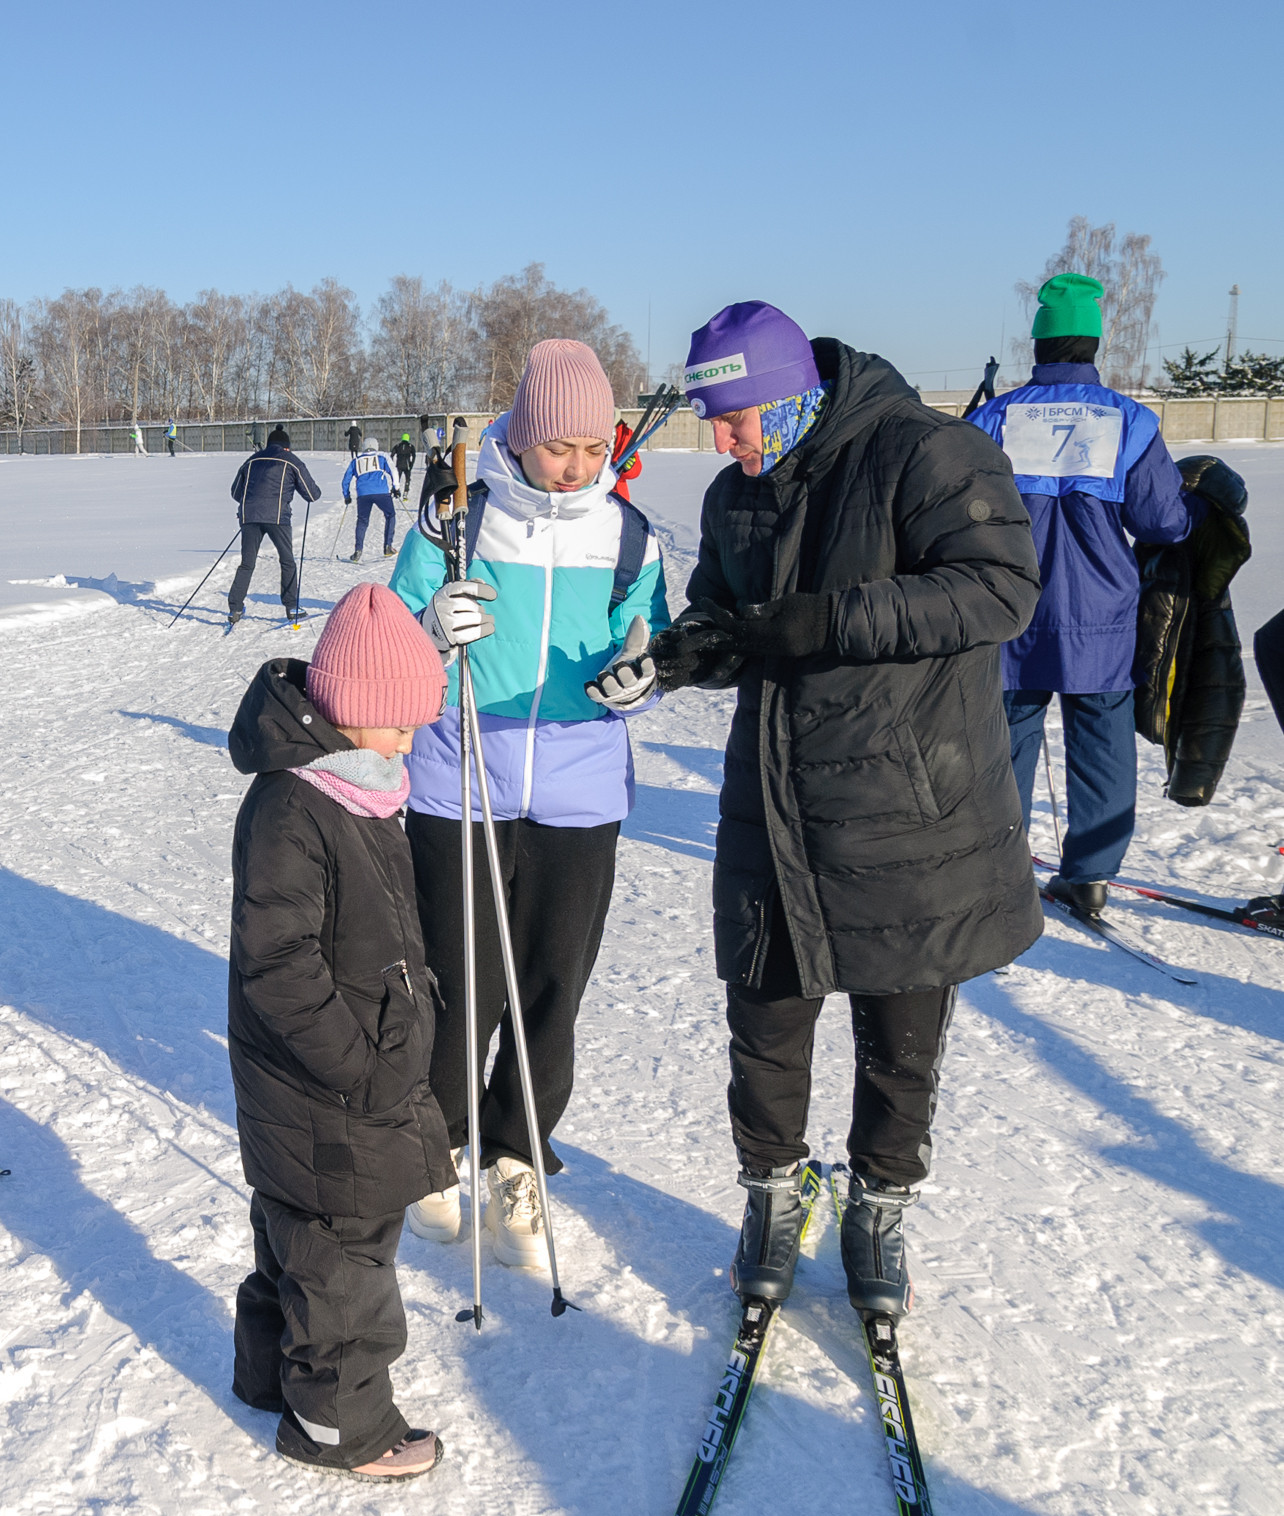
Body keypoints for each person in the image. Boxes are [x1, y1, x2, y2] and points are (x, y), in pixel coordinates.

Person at [649, 300, 1040, 1316]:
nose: (721, 443)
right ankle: (771, 1194)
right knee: (763, 1020)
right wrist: (691, 651)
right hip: (775, 803)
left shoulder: (926, 453)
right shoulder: (736, 496)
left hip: (904, 806)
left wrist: (830, 620)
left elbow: (999, 588)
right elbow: (727, 615)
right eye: (712, 422)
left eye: (734, 419)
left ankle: (877, 1205)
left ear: (789, 398)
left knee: (899, 1034)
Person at [387, 340, 669, 1263]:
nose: (577, 466)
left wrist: (642, 675)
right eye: (558, 447)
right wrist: (431, 633)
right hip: (461, 779)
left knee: (551, 985)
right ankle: (437, 1146)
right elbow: (394, 645)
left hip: (581, 790)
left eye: (592, 448)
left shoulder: (629, 536)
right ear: (520, 435)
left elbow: (651, 638)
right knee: (454, 979)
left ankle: (517, 1154)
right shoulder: (455, 523)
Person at [226, 582, 455, 1482]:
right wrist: (359, 1067)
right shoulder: (296, 807)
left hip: (335, 1075)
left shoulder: (354, 787)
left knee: (300, 1235)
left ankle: (268, 1380)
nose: (407, 741)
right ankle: (340, 1428)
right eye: (395, 723)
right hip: (325, 1082)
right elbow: (278, 965)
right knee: (343, 1256)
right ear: (347, 708)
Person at [967, 273, 1202, 918]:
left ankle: (1001, 868)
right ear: (1094, 343)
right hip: (1102, 609)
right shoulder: (1130, 419)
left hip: (1012, 603)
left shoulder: (995, 417)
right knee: (1103, 736)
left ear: (1037, 344)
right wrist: (1197, 514)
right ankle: (1091, 874)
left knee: (1007, 735)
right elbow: (1161, 522)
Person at [227, 426, 321, 626]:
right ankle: (292, 607)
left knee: (247, 563)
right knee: (287, 561)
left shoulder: (251, 460)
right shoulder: (291, 460)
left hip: (249, 517)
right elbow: (312, 494)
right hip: (278, 517)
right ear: (286, 446)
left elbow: (235, 492)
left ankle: (235, 608)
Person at [342, 437, 400, 561]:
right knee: (390, 515)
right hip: (381, 493)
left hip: (363, 494)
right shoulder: (381, 457)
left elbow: (345, 480)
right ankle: (388, 546)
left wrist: (347, 496)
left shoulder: (356, 461)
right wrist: (396, 487)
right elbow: (393, 471)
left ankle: (358, 550)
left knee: (362, 521)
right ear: (376, 447)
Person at [392, 432, 417, 503]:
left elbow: (392, 454)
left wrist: (392, 464)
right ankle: (405, 494)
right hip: (407, 465)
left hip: (399, 465)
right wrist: (411, 464)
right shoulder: (410, 446)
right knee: (407, 479)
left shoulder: (397, 445)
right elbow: (414, 455)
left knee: (397, 479)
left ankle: (395, 491)